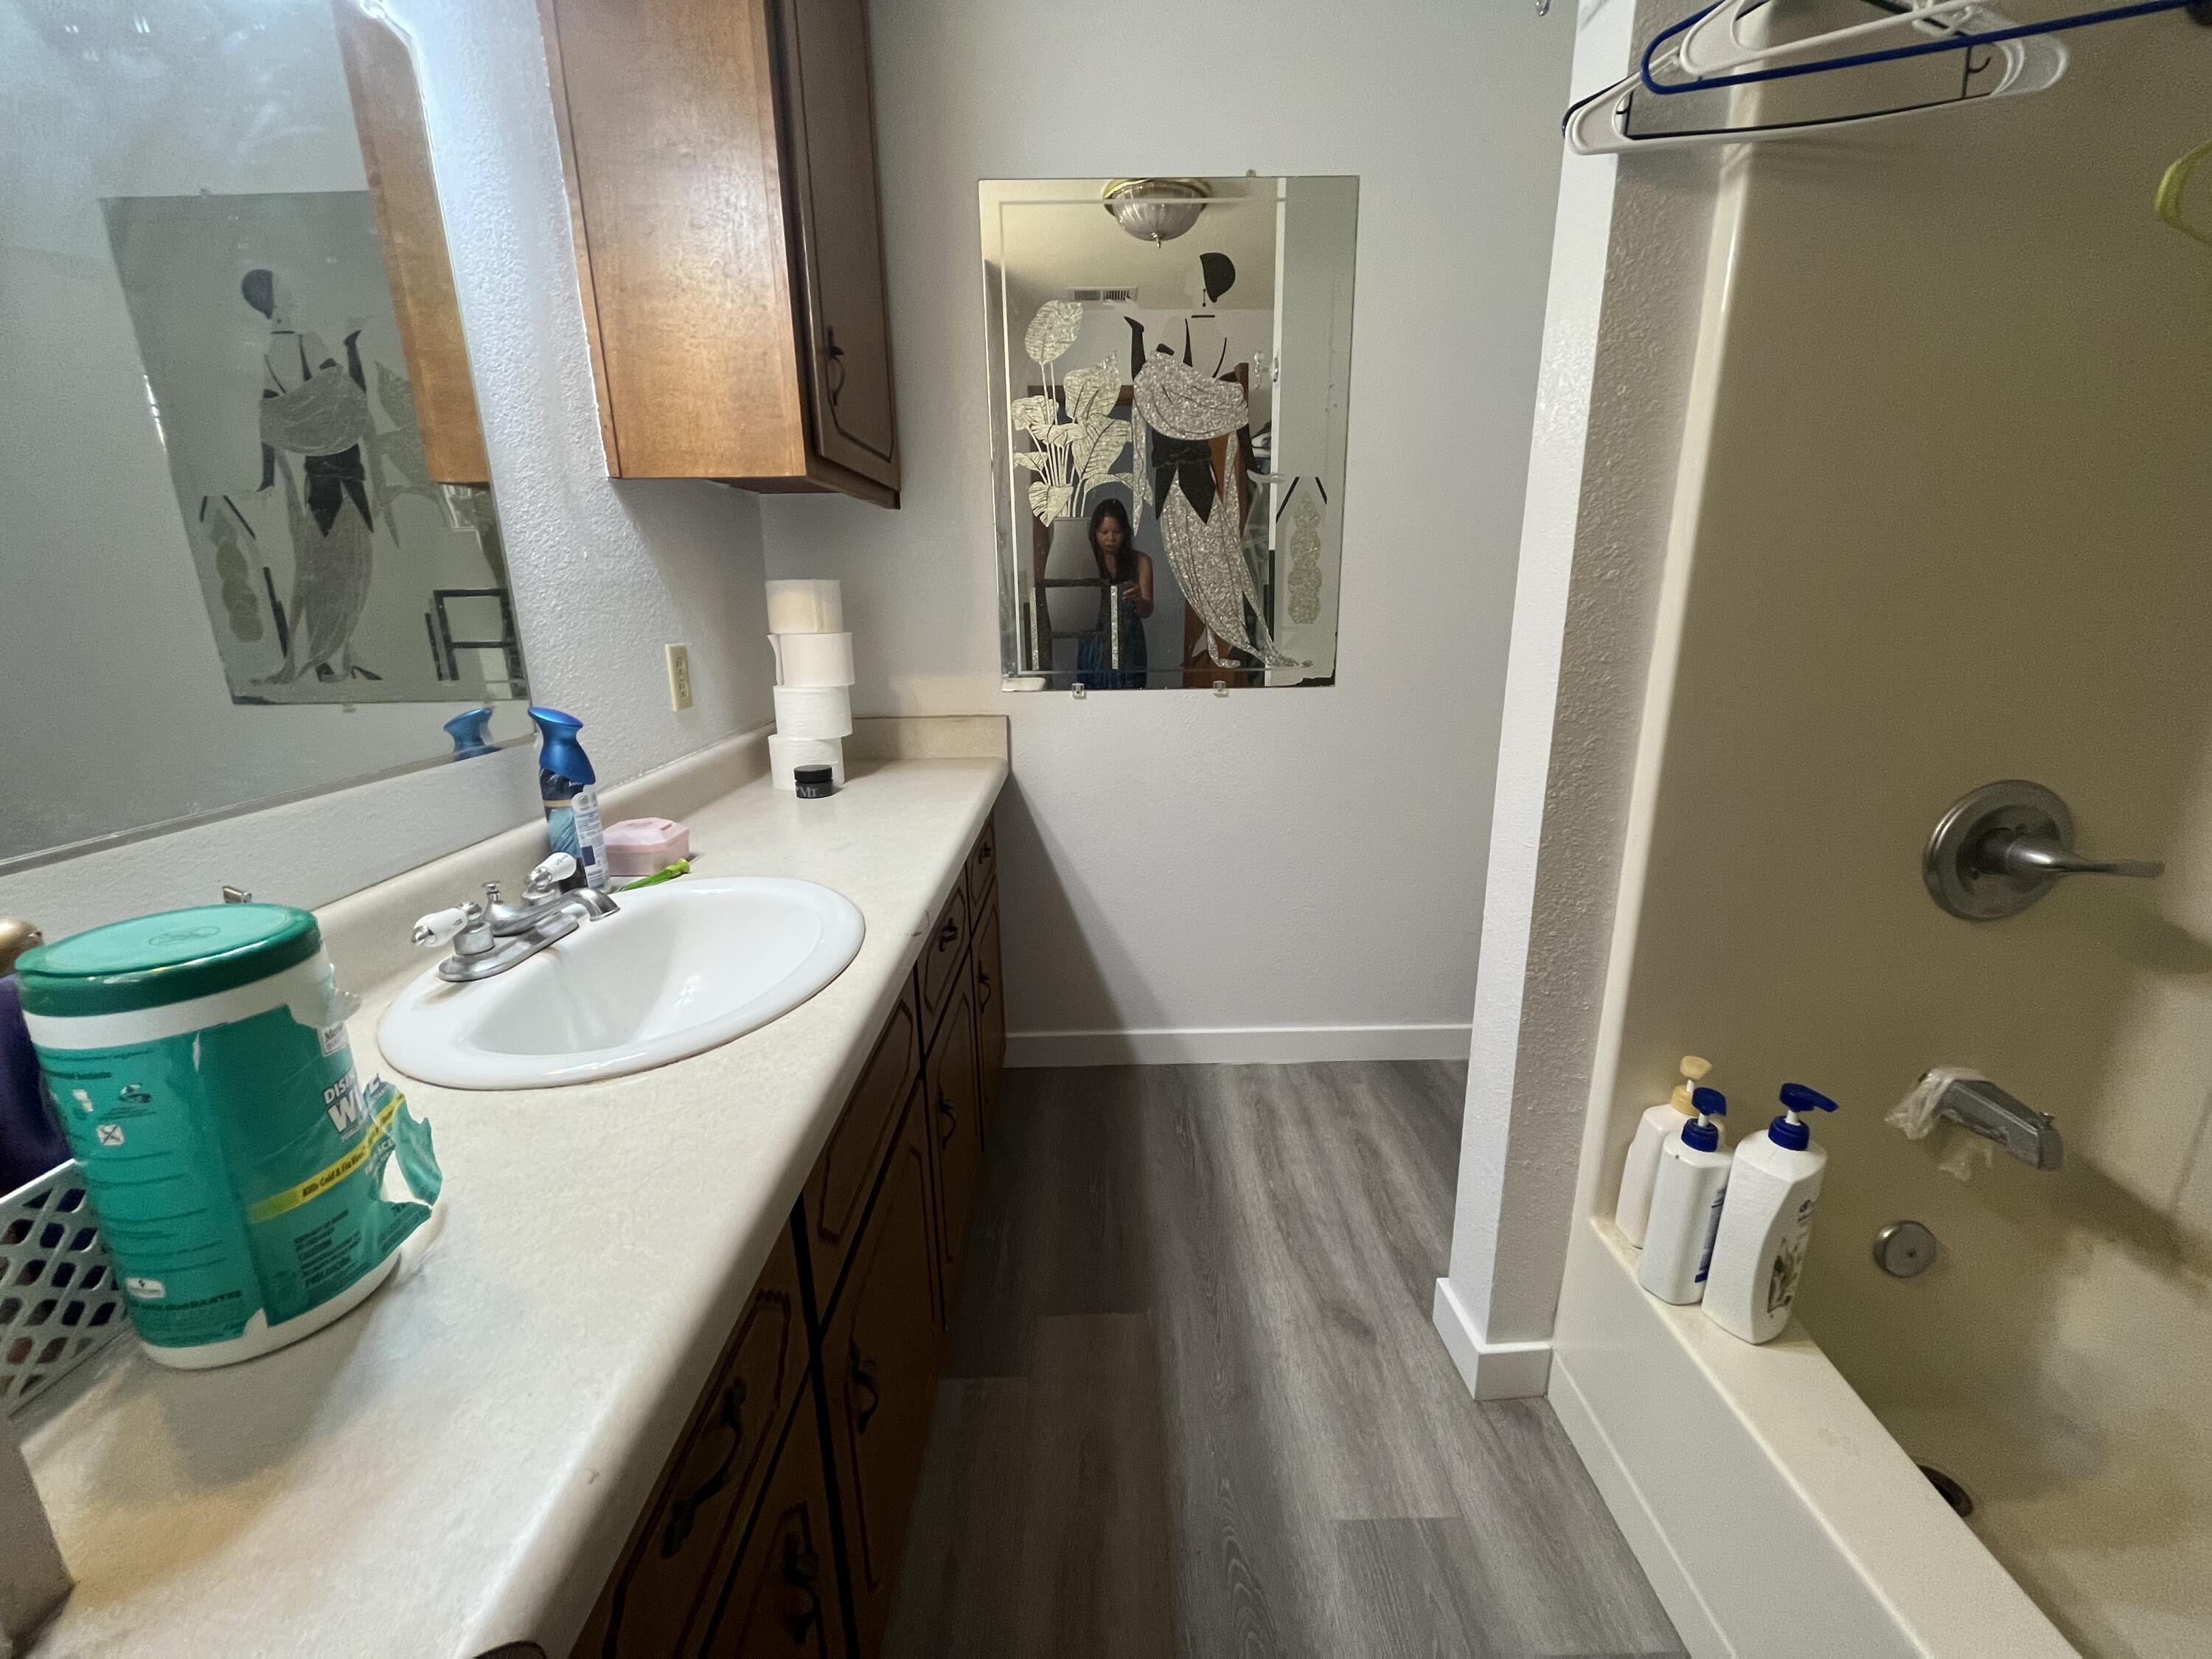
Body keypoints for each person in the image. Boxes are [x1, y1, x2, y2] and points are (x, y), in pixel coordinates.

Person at [1075, 498, 1151, 689]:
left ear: (1125, 533)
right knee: (1092, 700)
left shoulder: (1141, 561)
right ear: (1095, 533)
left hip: (1130, 643)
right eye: (1104, 532)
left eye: (1117, 532)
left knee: (1131, 698)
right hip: (1095, 642)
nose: (1111, 538)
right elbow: (1073, 611)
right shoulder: (1084, 562)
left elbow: (1147, 610)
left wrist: (1139, 597)